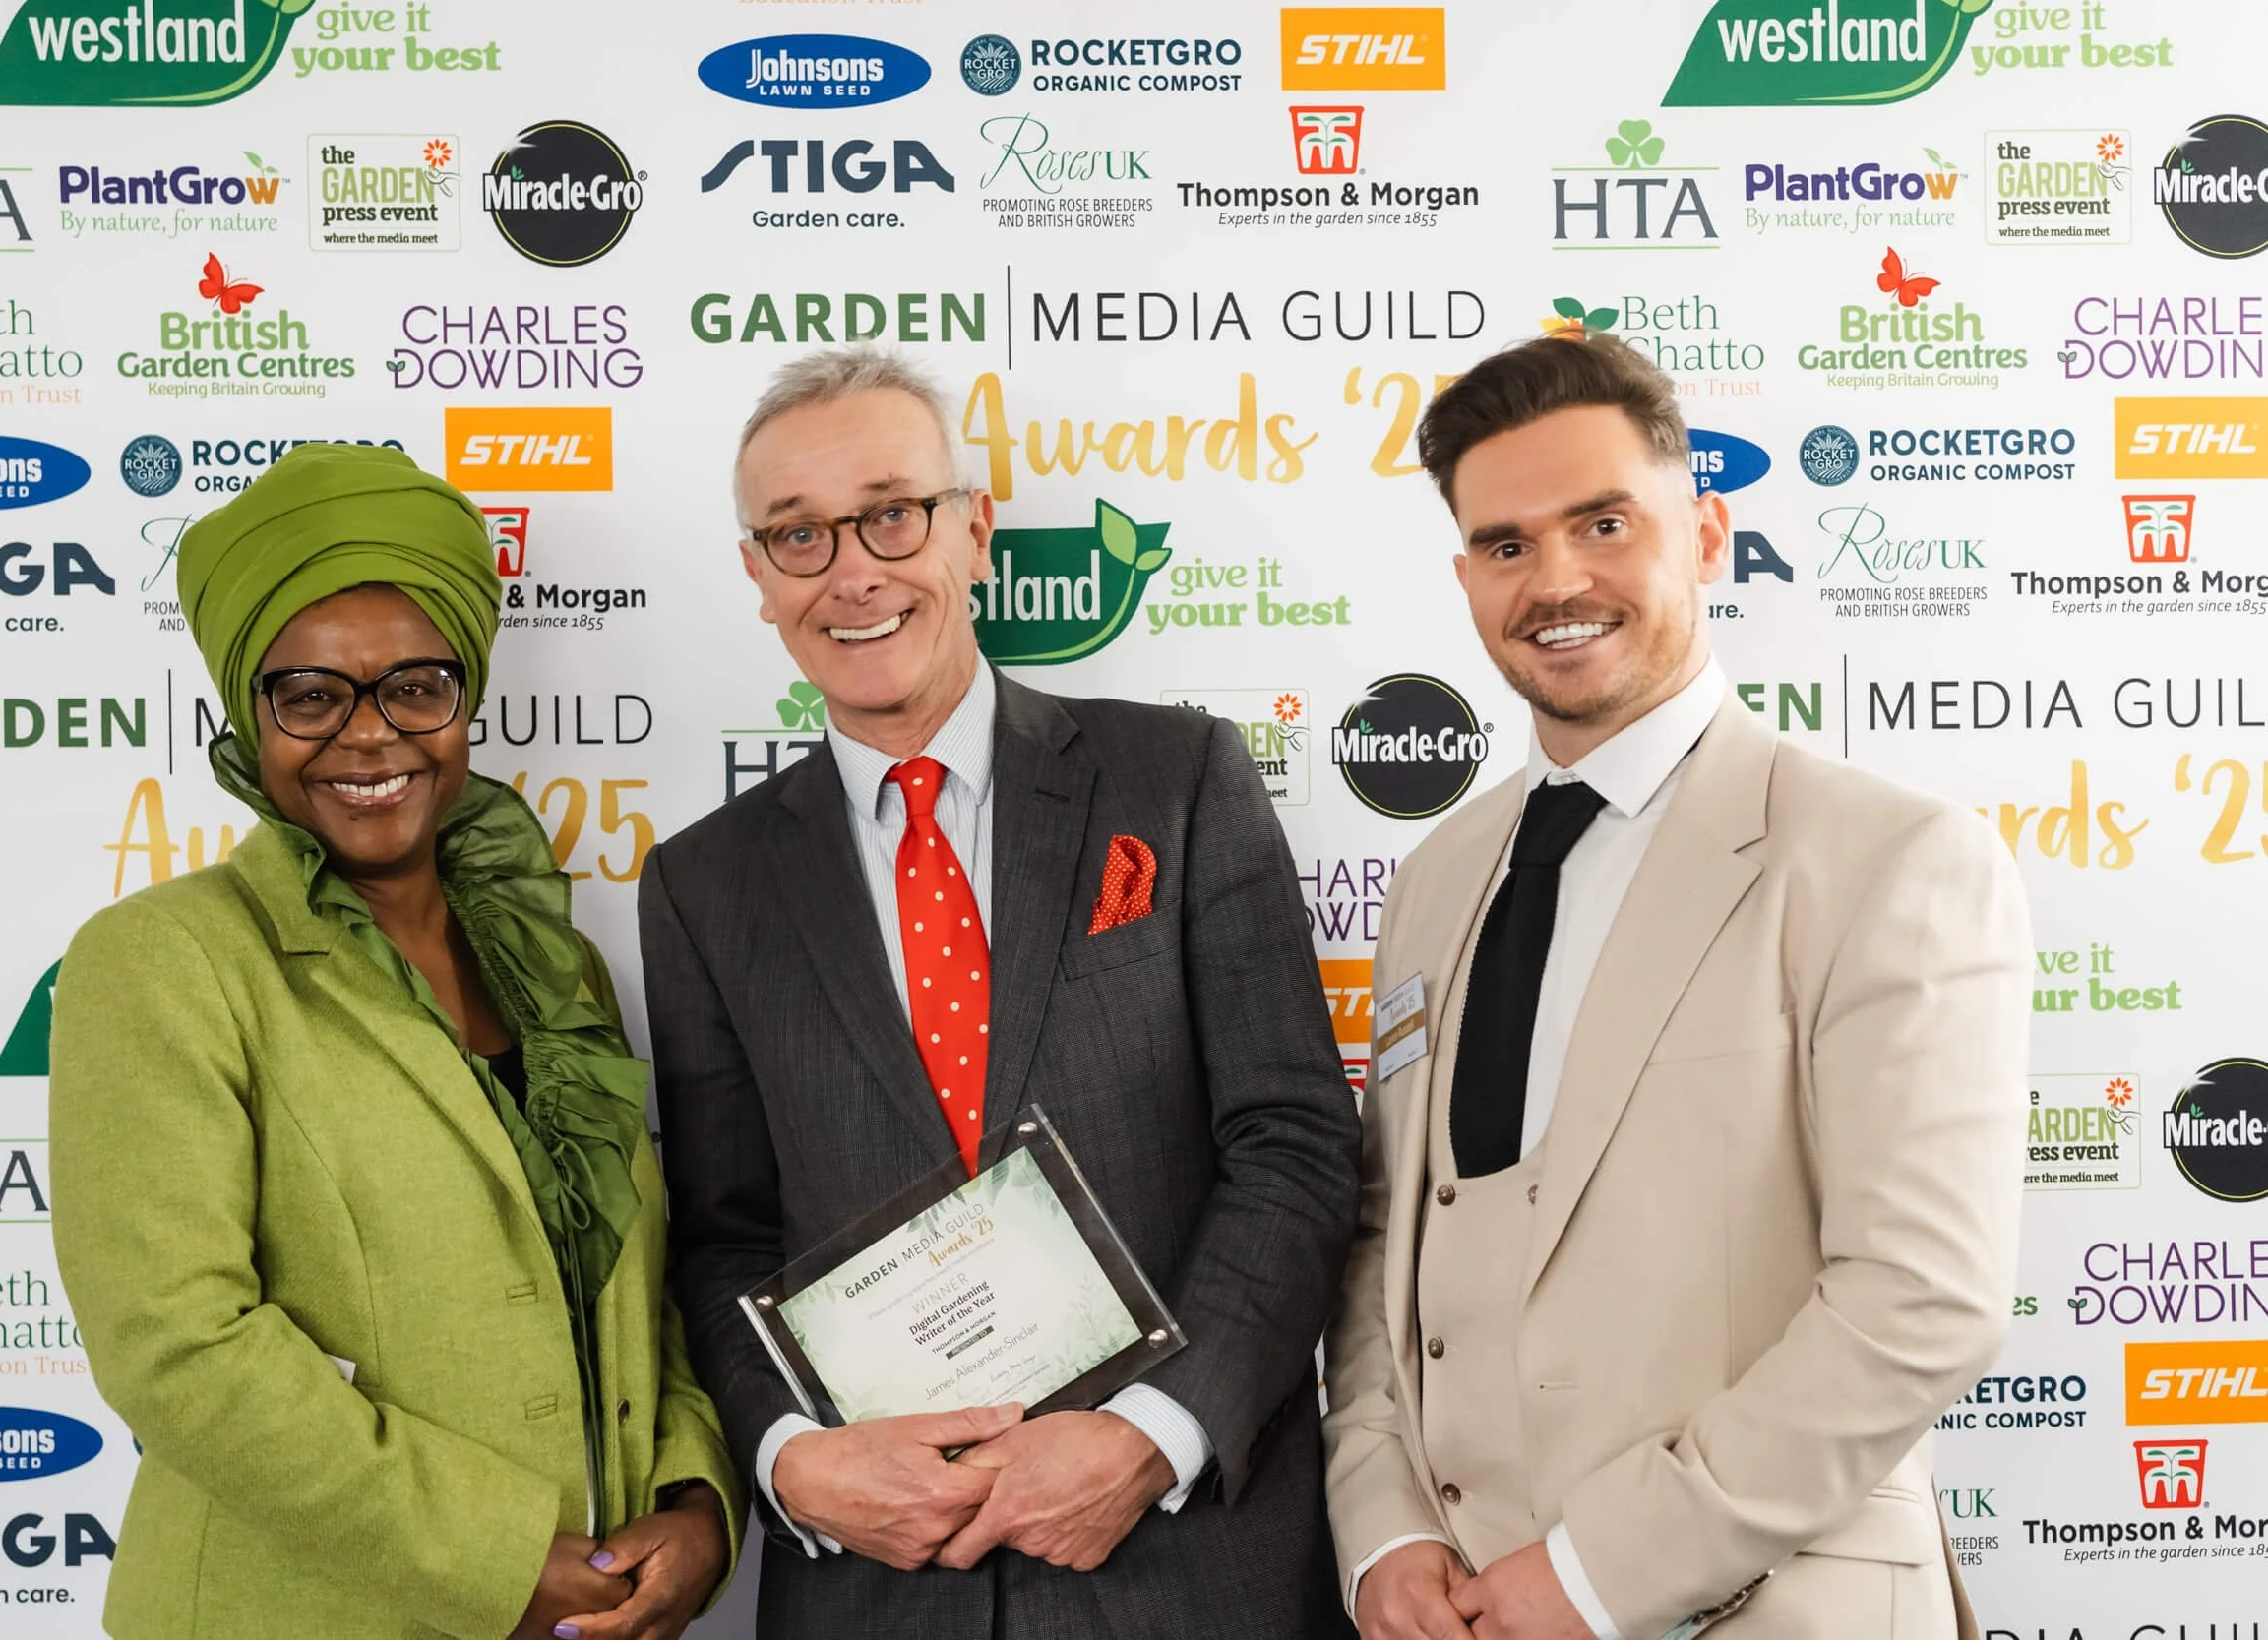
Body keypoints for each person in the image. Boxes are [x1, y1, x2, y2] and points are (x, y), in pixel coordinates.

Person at [641, 347, 1361, 1640]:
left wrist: (1155, 1430)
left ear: (976, 529)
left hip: (1193, 1567)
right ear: (756, 576)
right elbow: (723, 1241)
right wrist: (796, 1459)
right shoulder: (704, 885)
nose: (851, 568)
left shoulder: (1178, 777)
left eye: (891, 512)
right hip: (879, 1589)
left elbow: (1293, 1143)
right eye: (796, 535)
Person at [1321, 334, 2030, 1640]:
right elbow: (1385, 1254)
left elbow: (1921, 1295)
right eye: (1507, 543)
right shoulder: (1435, 876)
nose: (1558, 578)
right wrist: (1387, 1526)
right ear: (1467, 576)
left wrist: (1596, 1570)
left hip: (1768, 1607)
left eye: (1604, 521)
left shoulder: (1884, 855)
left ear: (1704, 536)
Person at [49, 444, 740, 1640]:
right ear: (248, 717)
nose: (369, 736)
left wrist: (694, 1499)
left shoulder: (554, 965)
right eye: (310, 694)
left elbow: (628, 1286)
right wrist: (500, 1558)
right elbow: (181, 1347)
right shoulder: (162, 960)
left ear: (465, 696)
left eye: (414, 685)